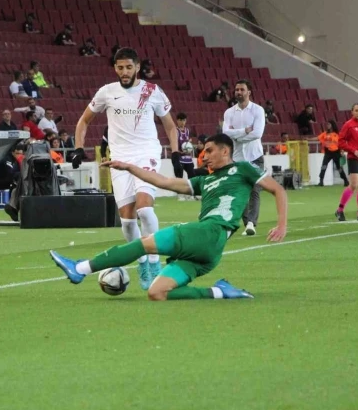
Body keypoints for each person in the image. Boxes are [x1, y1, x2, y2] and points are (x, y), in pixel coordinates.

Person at [50, 134, 288, 301]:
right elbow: (163, 181)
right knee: (157, 293)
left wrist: (282, 225)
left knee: (144, 244)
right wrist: (130, 167)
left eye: (209, 150)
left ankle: (80, 269)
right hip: (209, 250)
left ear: (225, 151)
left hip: (210, 232)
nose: (204, 156)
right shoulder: (205, 180)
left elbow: (277, 189)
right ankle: (220, 292)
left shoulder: (243, 169)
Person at [71, 47, 180, 290]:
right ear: (115, 68)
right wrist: (78, 147)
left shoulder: (153, 91)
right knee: (128, 222)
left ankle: (155, 262)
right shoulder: (107, 92)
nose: (124, 72)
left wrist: (175, 152)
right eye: (120, 67)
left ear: (137, 67)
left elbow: (170, 126)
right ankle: (141, 262)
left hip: (146, 154)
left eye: (129, 67)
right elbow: (84, 120)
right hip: (119, 159)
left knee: (145, 210)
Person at [222, 79, 266, 237]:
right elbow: (225, 133)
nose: (238, 92)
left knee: (254, 191)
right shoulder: (229, 112)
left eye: (242, 89)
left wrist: (236, 136)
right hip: (237, 158)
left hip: (255, 156)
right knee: (239, 192)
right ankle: (247, 222)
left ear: (249, 92)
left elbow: (257, 133)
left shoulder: (258, 110)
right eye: (237, 90)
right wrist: (244, 131)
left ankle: (251, 223)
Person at [317, 120, 348, 187]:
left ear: (332, 125)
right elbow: (318, 138)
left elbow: (340, 143)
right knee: (324, 166)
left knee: (339, 167)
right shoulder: (325, 133)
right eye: (327, 124)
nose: (327, 125)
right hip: (328, 152)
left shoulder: (337, 134)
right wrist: (307, 139)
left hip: (336, 152)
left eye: (329, 124)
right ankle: (321, 181)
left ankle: (345, 180)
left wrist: (342, 150)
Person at [175, 112, 195, 179]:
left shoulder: (187, 131)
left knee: (192, 175)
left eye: (184, 120)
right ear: (177, 120)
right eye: (180, 120)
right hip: (179, 157)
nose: (182, 122)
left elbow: (188, 142)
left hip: (187, 157)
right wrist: (178, 151)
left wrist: (189, 144)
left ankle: (191, 186)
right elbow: (172, 143)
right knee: (179, 176)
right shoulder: (175, 131)